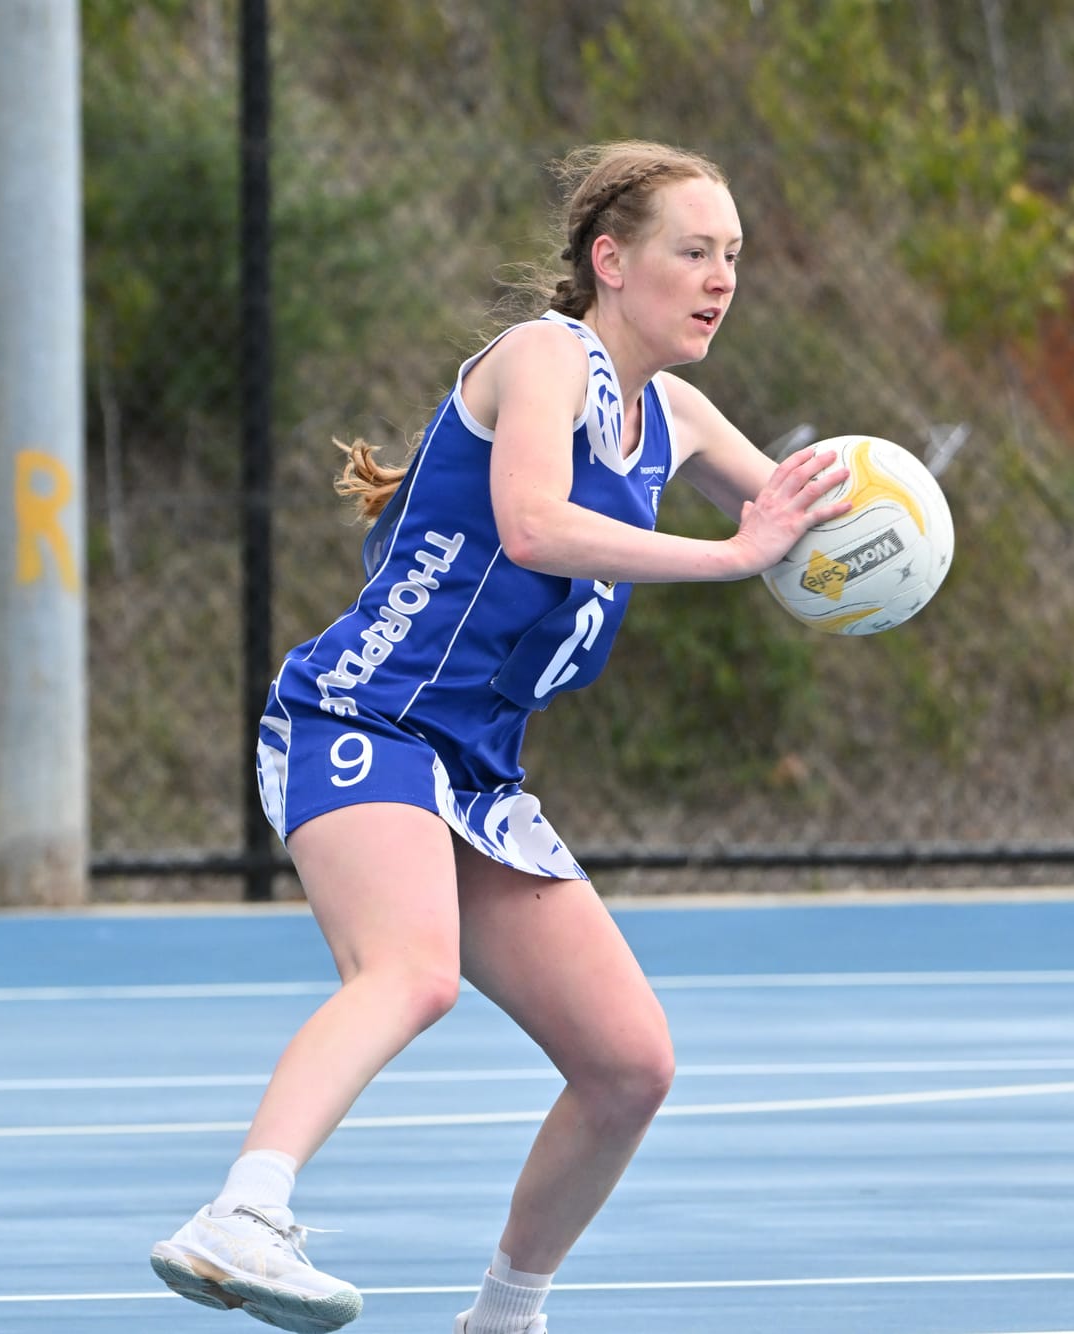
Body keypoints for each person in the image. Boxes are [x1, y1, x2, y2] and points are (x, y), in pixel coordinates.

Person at [149, 140, 851, 1333]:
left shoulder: (674, 415)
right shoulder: (544, 357)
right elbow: (531, 523)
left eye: (733, 255)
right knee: (411, 972)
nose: (720, 278)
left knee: (629, 1063)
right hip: (363, 714)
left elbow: (799, 509)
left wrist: (884, 531)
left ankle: (504, 1316)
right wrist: (730, 555)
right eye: (693, 251)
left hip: (472, 767)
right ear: (610, 260)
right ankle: (241, 1211)